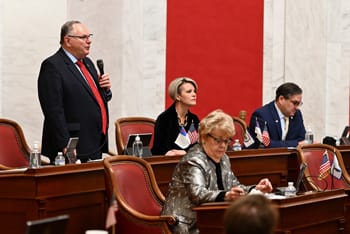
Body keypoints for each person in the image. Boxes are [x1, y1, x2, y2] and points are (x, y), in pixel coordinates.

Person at [161, 109, 273, 234]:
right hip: (186, 223)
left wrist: (255, 189)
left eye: (226, 140)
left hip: (211, 219)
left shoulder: (223, 158)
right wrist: (226, 195)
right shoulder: (193, 160)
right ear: (203, 137)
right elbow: (197, 194)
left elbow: (233, 186)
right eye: (218, 140)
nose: (223, 145)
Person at [38, 20, 112, 163]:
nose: (89, 41)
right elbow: (53, 110)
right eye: (83, 37)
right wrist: (66, 144)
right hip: (71, 145)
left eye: (89, 36)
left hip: (94, 140)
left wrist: (106, 91)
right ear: (68, 40)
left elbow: (92, 99)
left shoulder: (88, 63)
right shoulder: (53, 66)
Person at [247, 82, 306, 148]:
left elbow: (303, 139)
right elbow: (266, 144)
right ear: (281, 99)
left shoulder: (297, 114)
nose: (297, 107)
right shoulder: (261, 115)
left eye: (299, 104)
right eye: (295, 103)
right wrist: (296, 143)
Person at [152, 77, 200, 156]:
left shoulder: (194, 119)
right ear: (178, 96)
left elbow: (199, 146)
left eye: (194, 91)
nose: (194, 94)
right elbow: (159, 150)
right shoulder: (164, 119)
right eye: (189, 92)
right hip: (168, 164)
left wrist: (185, 153)